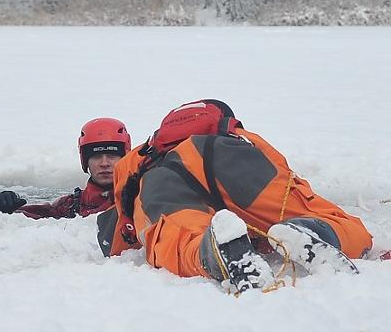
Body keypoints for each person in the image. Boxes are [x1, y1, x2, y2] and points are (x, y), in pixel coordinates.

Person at [98, 99, 371, 294]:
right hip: (234, 160)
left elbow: (125, 217)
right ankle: (317, 230)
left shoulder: (142, 154)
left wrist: (124, 244)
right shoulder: (235, 136)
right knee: (323, 216)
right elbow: (280, 169)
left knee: (178, 240)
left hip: (162, 174)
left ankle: (211, 249)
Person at [0, 117, 129, 219]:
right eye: (96, 156)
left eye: (111, 155)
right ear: (86, 161)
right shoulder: (71, 205)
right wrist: (7, 211)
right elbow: (39, 217)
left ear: (125, 159)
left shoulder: (138, 199)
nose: (104, 163)